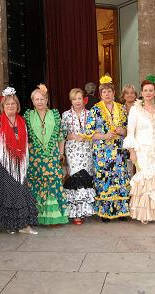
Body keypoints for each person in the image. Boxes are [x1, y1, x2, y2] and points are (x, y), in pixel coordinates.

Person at [0, 87, 38, 234]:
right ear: (3, 106)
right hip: (0, 164)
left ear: (17, 105)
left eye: (13, 104)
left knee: (18, 191)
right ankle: (14, 225)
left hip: (18, 164)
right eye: (7, 104)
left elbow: (28, 142)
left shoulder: (22, 121)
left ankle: (20, 225)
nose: (10, 106)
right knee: (7, 193)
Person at [124, 75, 155, 224]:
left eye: (151, 90)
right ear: (142, 93)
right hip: (142, 150)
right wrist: (132, 152)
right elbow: (130, 132)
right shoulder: (135, 110)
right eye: (145, 90)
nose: (148, 93)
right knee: (144, 181)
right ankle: (144, 215)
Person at [85, 75, 130, 222]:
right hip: (102, 152)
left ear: (114, 92)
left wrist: (122, 131)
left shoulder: (121, 108)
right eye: (104, 92)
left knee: (119, 178)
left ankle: (121, 210)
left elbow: (128, 128)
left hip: (118, 150)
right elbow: (89, 132)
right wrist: (104, 136)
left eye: (109, 91)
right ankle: (105, 212)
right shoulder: (95, 110)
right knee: (105, 179)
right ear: (100, 94)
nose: (107, 94)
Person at [24, 84, 68, 225]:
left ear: (47, 99)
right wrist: (27, 145)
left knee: (53, 184)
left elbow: (61, 135)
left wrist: (61, 153)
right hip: (35, 156)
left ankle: (53, 217)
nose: (39, 102)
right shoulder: (28, 115)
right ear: (32, 101)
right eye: (36, 99)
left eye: (42, 99)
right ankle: (35, 216)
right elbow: (23, 135)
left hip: (52, 155)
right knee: (35, 184)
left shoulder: (54, 114)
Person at [61, 88, 95, 225]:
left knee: (86, 178)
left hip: (87, 150)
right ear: (71, 100)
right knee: (76, 178)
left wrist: (87, 136)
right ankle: (76, 214)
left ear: (84, 100)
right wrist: (73, 136)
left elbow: (94, 131)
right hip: (73, 151)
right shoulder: (66, 115)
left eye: (79, 98)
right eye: (74, 99)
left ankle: (86, 210)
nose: (77, 101)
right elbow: (62, 134)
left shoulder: (91, 114)